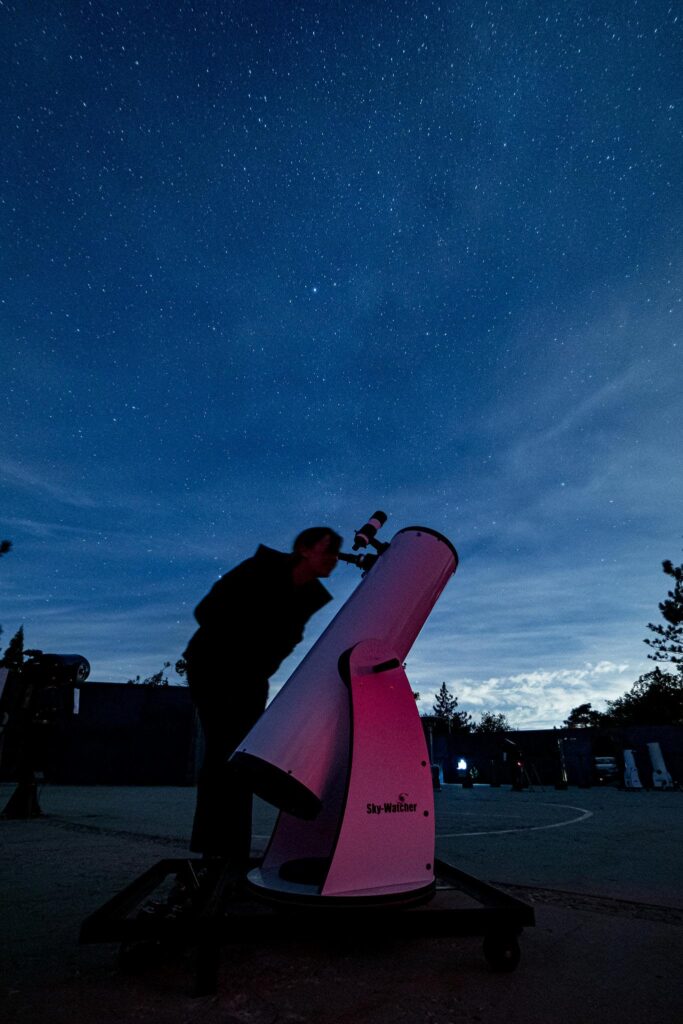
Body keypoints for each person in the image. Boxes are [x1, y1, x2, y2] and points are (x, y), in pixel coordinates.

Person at [183, 526, 342, 864]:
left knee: (239, 760)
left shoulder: (307, 598)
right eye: (329, 549)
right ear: (303, 548)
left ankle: (230, 851)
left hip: (251, 680)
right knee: (224, 755)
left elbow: (280, 646)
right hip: (214, 669)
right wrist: (242, 645)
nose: (335, 559)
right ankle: (218, 851)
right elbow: (206, 611)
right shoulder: (257, 570)